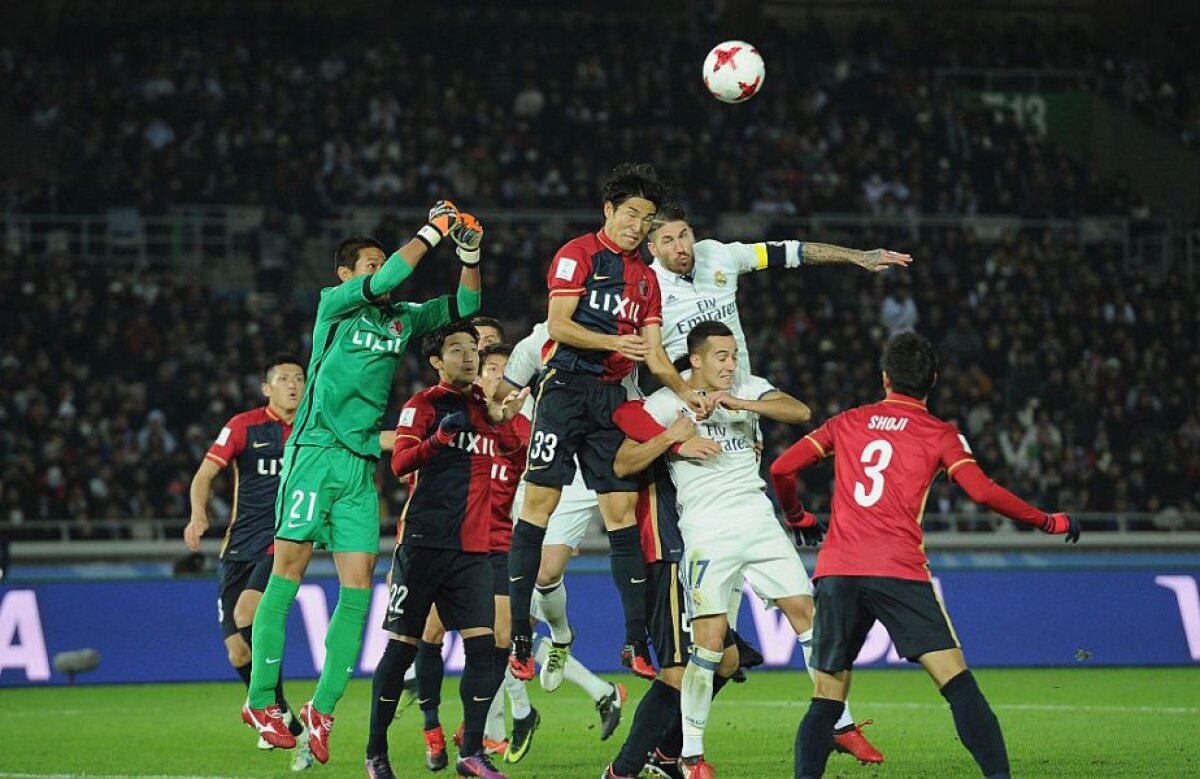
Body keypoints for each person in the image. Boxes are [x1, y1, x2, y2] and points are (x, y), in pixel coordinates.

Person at [769, 333, 1080, 779]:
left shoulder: (848, 421)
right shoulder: (940, 434)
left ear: (885, 378)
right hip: (898, 571)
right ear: (932, 380)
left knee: (827, 697)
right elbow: (981, 491)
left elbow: (781, 468)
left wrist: (797, 516)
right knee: (956, 683)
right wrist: (1048, 521)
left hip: (838, 571)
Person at [241, 201, 484, 766]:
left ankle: (322, 710)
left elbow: (467, 304)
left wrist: (469, 253)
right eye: (369, 265)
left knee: (359, 584)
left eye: (381, 262)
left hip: (356, 465)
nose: (380, 271)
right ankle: (260, 701)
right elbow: (394, 275)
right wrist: (434, 229)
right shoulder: (336, 307)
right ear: (347, 276)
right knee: (290, 569)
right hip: (314, 451)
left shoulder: (402, 320)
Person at [624, 321, 881, 779]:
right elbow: (623, 460)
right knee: (708, 646)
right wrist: (672, 438)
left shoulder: (748, 388)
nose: (730, 363)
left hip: (759, 523)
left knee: (809, 616)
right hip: (707, 532)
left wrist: (738, 401)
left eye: (733, 355)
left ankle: (839, 723)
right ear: (696, 360)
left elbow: (800, 411)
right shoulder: (668, 402)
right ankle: (692, 756)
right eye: (720, 356)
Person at [504, 163, 711, 681]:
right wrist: (615, 342)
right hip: (565, 389)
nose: (638, 226)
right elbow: (559, 324)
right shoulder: (577, 255)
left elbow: (658, 357)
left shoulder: (645, 279)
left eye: (646, 219)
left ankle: (636, 643)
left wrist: (690, 395)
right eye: (631, 214)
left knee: (621, 514)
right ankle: (523, 640)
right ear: (609, 211)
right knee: (538, 507)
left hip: (610, 397)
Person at [366, 322, 527, 779]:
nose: (469, 356)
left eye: (472, 349)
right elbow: (399, 464)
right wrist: (438, 439)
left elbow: (514, 454)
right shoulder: (423, 405)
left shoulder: (484, 408)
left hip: (474, 548)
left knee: (483, 647)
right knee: (401, 650)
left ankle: (471, 751)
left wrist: (503, 419)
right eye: (457, 350)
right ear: (437, 362)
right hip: (424, 544)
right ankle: (376, 751)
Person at [185, 355, 313, 770]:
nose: (293, 385)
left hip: (282, 544)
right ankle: (286, 721)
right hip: (238, 547)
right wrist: (197, 514)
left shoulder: (314, 427)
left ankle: (265, 710)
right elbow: (204, 474)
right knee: (238, 653)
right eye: (284, 379)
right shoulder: (243, 426)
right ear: (267, 388)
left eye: (299, 378)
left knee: (248, 613)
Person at [646, 202, 911, 383]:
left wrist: (858, 256)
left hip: (742, 395)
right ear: (653, 249)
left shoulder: (720, 255)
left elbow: (791, 251)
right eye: (667, 241)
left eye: (683, 235)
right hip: (689, 403)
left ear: (693, 234)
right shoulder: (644, 288)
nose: (680, 247)